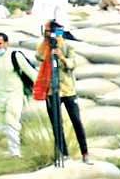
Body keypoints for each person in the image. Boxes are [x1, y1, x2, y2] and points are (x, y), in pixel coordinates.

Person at [35, 21, 88, 166]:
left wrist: (61, 57)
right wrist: (46, 43)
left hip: (68, 90)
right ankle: (63, 154)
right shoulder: (45, 46)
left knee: (76, 122)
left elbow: (72, 64)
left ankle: (85, 153)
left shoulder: (67, 46)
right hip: (52, 90)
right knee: (56, 124)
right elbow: (38, 56)